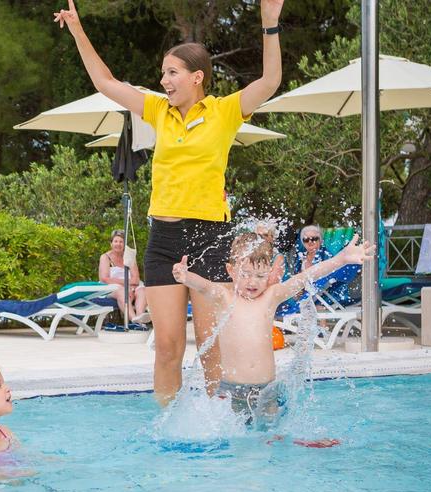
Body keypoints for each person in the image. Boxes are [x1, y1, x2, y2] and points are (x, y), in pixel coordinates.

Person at [54, 0, 285, 404]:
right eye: (163, 73)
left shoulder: (225, 111)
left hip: (210, 236)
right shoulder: (158, 111)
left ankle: (219, 421)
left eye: (172, 73)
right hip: (163, 236)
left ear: (197, 77)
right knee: (167, 347)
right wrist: (77, 30)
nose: (164, 80)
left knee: (211, 344)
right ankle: (167, 427)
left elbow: (269, 82)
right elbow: (106, 83)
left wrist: (269, 24)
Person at [171, 232, 374, 424]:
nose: (252, 282)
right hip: (231, 391)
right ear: (230, 271)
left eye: (260, 276)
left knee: (268, 438)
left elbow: (306, 277)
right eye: (246, 274)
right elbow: (205, 286)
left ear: (268, 272)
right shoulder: (224, 297)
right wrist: (185, 277)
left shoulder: (270, 297)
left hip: (267, 391)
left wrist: (341, 259)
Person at [98, 229, 148, 328]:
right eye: (115, 241)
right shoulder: (105, 257)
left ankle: (140, 319)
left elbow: (136, 279)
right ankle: (134, 321)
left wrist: (131, 287)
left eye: (121, 241)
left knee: (143, 290)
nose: (118, 244)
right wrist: (126, 285)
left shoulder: (129, 257)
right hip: (111, 288)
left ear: (124, 244)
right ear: (111, 243)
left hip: (132, 286)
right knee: (122, 292)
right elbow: (105, 279)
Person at [254, 220, 287, 285]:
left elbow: (270, 283)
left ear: (273, 238)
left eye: (265, 235)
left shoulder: (278, 257)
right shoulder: (252, 254)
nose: (261, 238)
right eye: (258, 235)